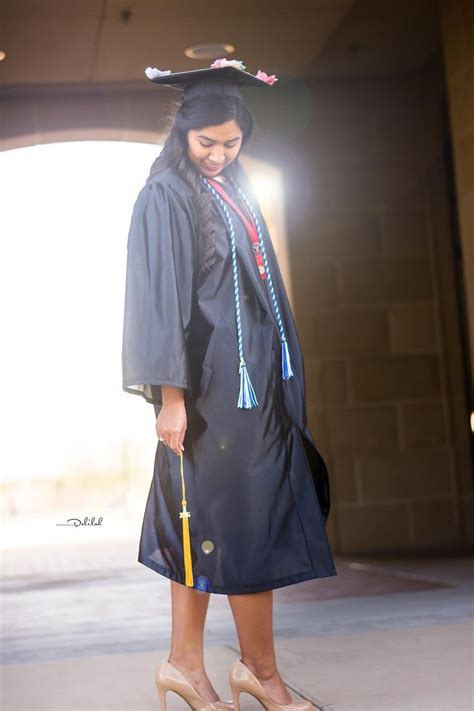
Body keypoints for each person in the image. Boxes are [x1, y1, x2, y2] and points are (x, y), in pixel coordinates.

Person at [121, 58, 337, 711]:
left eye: (231, 142)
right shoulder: (167, 194)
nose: (218, 154)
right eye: (205, 142)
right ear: (181, 132)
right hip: (212, 397)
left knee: (208, 525)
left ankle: (188, 664)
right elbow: (160, 302)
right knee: (245, 527)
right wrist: (173, 398)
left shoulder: (232, 191)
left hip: (252, 397)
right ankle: (262, 675)